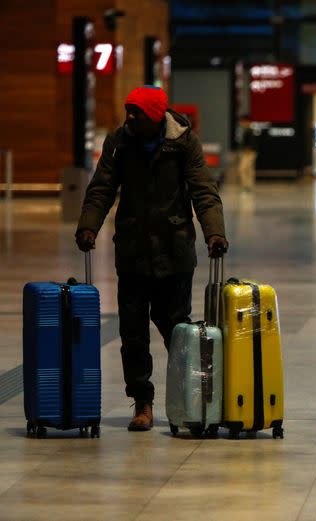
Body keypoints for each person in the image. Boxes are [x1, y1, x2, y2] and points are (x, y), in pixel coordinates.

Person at [75, 85, 228, 432]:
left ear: (156, 115)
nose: (129, 117)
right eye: (128, 110)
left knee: (176, 330)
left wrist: (214, 232)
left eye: (137, 112)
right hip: (132, 251)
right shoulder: (119, 143)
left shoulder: (184, 142)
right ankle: (142, 402)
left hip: (174, 251)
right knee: (132, 334)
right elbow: (101, 188)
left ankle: (188, 398)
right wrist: (88, 226)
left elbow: (204, 190)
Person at [236, 114, 258, 192]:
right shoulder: (246, 130)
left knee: (244, 169)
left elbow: (251, 143)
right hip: (247, 152)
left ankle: (247, 186)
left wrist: (248, 149)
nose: (241, 123)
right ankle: (247, 186)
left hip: (249, 153)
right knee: (248, 170)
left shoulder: (250, 130)